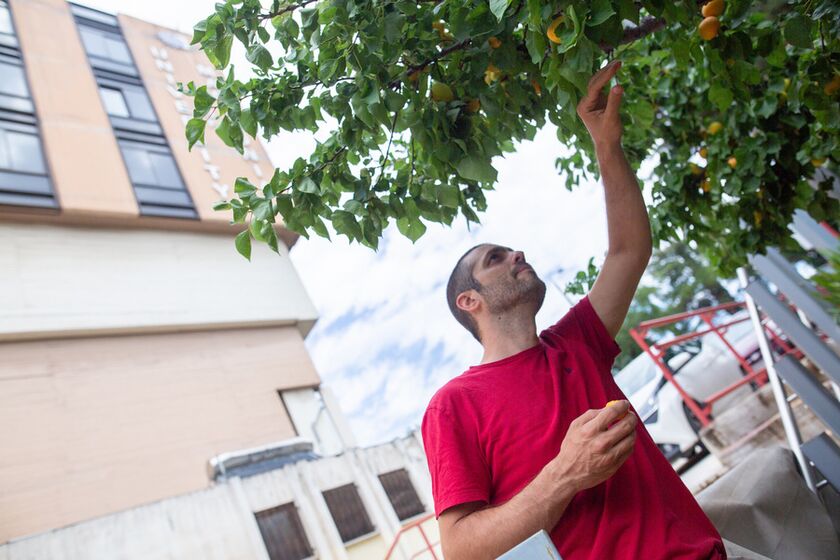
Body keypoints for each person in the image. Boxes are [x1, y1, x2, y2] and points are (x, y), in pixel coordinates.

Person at [421, 60, 726, 559]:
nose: (516, 254)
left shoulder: (576, 342)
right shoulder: (454, 405)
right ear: (469, 302)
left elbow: (628, 251)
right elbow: (461, 550)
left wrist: (606, 144)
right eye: (494, 259)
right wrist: (566, 474)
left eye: (511, 249)